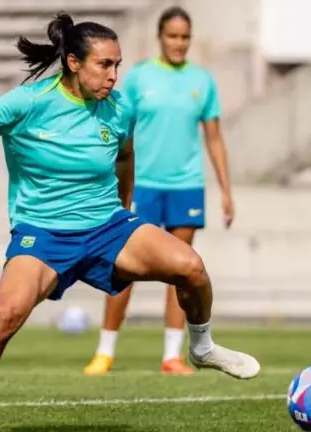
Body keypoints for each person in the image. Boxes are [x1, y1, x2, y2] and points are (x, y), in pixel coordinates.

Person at [0, 13, 259, 432]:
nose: (113, 75)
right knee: (6, 315)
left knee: (191, 267)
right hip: (43, 232)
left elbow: (125, 157)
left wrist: (124, 213)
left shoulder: (120, 108)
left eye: (118, 65)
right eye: (104, 65)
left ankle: (202, 347)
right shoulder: (30, 102)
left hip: (107, 225)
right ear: (73, 62)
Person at [84, 6, 235, 376]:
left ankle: (172, 356)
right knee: (123, 268)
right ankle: (105, 351)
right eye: (172, 36)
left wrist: (227, 190)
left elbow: (214, 137)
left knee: (180, 271)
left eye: (185, 37)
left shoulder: (203, 81)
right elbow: (120, 131)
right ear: (160, 37)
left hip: (186, 185)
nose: (179, 43)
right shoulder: (137, 78)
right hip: (144, 185)